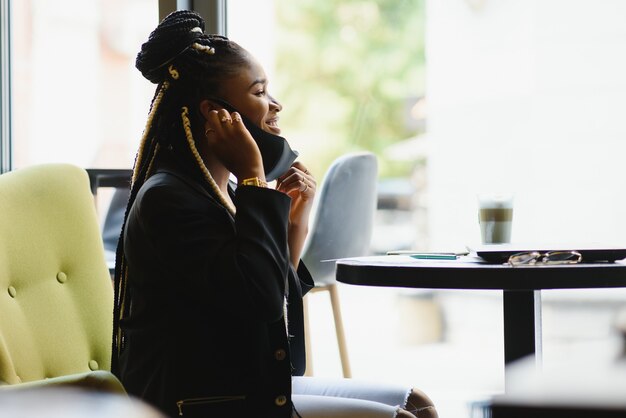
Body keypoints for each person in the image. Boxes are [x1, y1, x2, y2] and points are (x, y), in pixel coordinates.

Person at [111, 10, 438, 418]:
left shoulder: (220, 192)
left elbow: (266, 294)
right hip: (201, 401)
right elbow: (259, 301)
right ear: (216, 113)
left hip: (247, 384)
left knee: (418, 404)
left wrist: (294, 226)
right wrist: (252, 176)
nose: (275, 104)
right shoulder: (168, 199)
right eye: (260, 92)